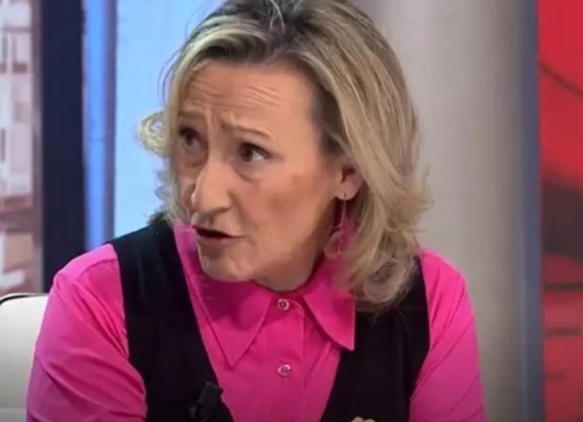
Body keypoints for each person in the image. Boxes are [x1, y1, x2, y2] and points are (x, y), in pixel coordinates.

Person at [26, 0, 486, 421]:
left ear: (349, 171)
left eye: (250, 153)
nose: (202, 198)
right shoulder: (101, 300)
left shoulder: (427, 300)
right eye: (191, 140)